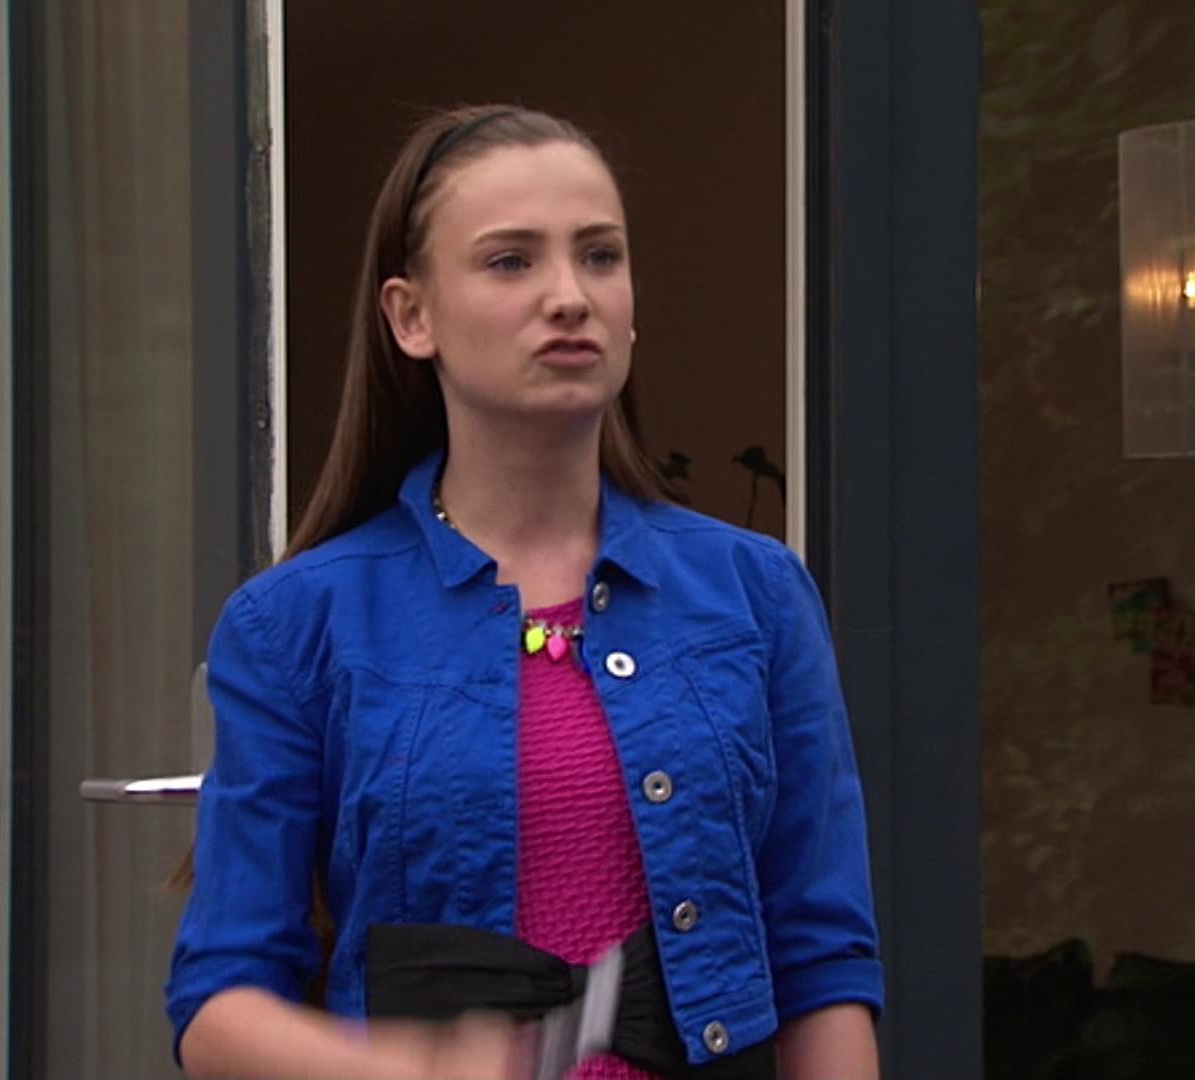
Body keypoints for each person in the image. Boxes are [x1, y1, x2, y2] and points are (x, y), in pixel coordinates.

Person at [167, 104, 881, 1080]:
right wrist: (417, 1072)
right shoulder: (295, 625)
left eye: (600, 256)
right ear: (411, 317)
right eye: (511, 261)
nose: (570, 296)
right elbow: (218, 1004)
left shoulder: (755, 594)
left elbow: (821, 959)